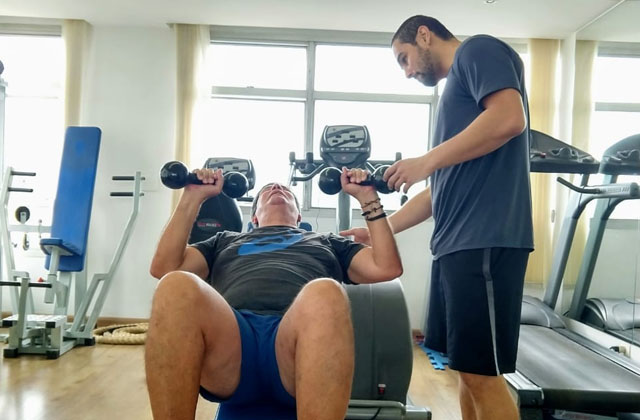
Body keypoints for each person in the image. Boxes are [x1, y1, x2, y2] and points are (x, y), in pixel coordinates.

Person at [341, 15, 533, 420]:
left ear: (424, 35)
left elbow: (510, 118)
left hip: (484, 238)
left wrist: (425, 161)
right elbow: (438, 190)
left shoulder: (477, 50)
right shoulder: (455, 99)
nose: (407, 71)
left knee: (483, 375)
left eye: (404, 58)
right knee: (466, 370)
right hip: (456, 245)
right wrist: (380, 230)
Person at [145, 166, 402, 420]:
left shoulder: (326, 241)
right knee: (175, 285)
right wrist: (192, 196)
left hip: (294, 346)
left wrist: (368, 197)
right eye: (267, 190)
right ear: (254, 218)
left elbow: (386, 267)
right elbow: (164, 267)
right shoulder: (225, 240)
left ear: (299, 217)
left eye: (286, 191)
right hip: (232, 345)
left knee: (325, 292)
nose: (277, 188)